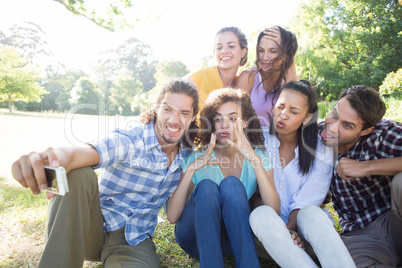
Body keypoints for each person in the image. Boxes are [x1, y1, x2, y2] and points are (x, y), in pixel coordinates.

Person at [11, 79, 200, 268]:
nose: (174, 120)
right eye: (167, 109)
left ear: (192, 117)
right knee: (77, 174)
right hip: (91, 228)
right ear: (156, 109)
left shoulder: (186, 155)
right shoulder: (131, 139)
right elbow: (83, 153)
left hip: (133, 241)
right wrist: (54, 158)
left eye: (184, 113)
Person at [166, 88, 280, 267]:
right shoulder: (197, 158)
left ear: (244, 122)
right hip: (194, 238)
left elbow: (273, 209)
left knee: (232, 185)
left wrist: (253, 159)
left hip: (229, 240)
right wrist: (190, 170)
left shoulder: (257, 158)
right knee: (207, 187)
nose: (224, 125)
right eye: (218, 119)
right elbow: (172, 217)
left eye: (232, 118)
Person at [249, 81, 355, 267]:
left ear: (307, 117)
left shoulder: (321, 149)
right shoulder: (259, 140)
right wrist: (283, 232)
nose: (283, 115)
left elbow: (309, 197)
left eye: (293, 111)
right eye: (280, 106)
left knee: (312, 213)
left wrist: (291, 229)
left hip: (306, 237)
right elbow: (251, 192)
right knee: (260, 214)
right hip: (267, 237)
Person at [319, 85, 402, 267]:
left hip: (393, 219)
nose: (332, 127)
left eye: (347, 125)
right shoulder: (314, 140)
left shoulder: (384, 135)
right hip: (359, 233)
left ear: (366, 131)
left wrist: (366, 167)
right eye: (334, 114)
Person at [236, 26, 298, 128]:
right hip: (251, 139)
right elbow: (235, 119)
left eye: (273, 51)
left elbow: (292, 108)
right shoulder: (248, 77)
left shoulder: (289, 78)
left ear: (285, 54)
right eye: (261, 50)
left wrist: (289, 49)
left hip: (279, 140)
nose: (264, 57)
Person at [187, 26, 248, 110]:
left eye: (231, 46)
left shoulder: (240, 85)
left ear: (243, 52)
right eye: (219, 48)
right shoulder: (201, 76)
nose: (224, 51)